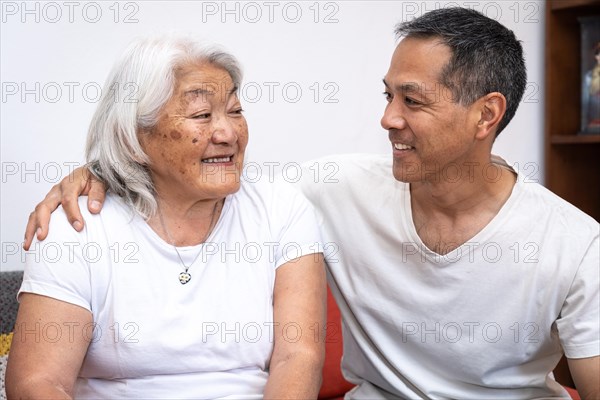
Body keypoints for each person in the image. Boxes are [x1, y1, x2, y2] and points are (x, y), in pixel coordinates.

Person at [20, 8, 600, 399]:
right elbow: (186, 175)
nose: (387, 118)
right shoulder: (329, 188)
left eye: (412, 101)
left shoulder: (573, 243)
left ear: (487, 114)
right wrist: (99, 169)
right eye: (387, 95)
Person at [6, 34, 326, 399]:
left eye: (235, 111)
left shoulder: (281, 209)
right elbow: (37, 383)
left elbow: (298, 357)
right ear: (133, 138)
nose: (228, 133)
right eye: (202, 115)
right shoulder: (77, 227)